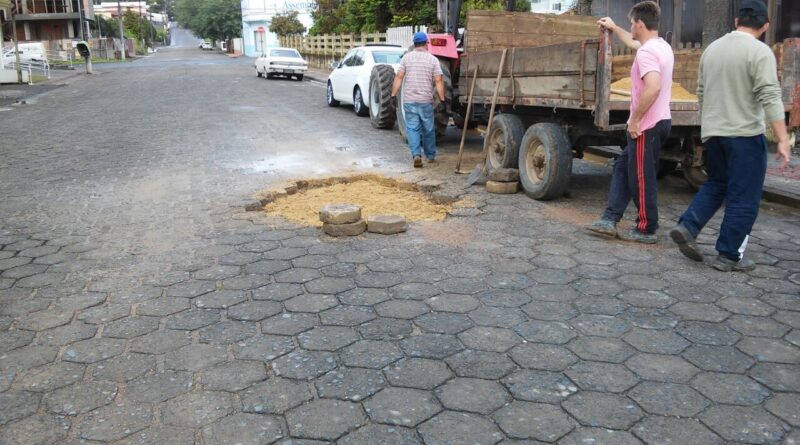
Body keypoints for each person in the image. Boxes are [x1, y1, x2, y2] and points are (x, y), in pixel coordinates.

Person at [669, 0, 791, 272]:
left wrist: (709, 122)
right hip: (745, 135)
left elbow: (701, 91)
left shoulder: (712, 49)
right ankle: (729, 254)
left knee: (716, 183)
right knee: (744, 195)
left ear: (736, 21)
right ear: (765, 26)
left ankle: (687, 226)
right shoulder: (760, 52)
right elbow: (770, 96)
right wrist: (782, 138)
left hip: (714, 133)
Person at [586, 1, 674, 244]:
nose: (631, 27)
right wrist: (614, 28)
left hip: (646, 124)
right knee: (623, 167)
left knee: (641, 177)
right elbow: (634, 42)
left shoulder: (647, 52)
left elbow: (653, 86)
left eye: (632, 23)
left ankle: (646, 228)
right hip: (661, 120)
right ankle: (609, 218)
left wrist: (634, 120)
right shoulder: (661, 46)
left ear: (641, 24)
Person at [391, 32, 446, 168]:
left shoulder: (406, 58)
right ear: (426, 43)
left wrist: (393, 95)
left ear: (414, 44)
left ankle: (416, 155)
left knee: (412, 128)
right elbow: (438, 80)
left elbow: (399, 77)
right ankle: (430, 156)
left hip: (409, 100)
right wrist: (442, 99)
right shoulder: (433, 60)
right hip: (425, 100)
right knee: (428, 129)